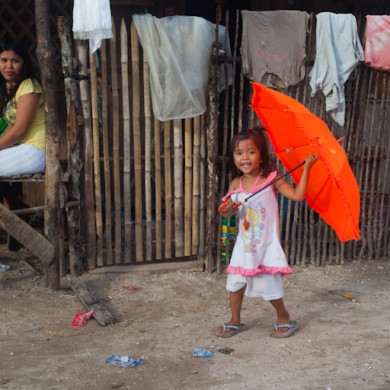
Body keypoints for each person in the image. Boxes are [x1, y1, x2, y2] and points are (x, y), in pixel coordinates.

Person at [216, 128, 318, 338]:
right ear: (233, 157)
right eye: (239, 153)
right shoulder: (236, 184)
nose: (245, 157)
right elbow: (226, 213)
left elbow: (298, 196)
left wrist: (307, 168)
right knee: (235, 282)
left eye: (251, 151)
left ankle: (283, 316)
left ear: (262, 154)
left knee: (268, 284)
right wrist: (228, 210)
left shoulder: (272, 180)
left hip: (265, 245)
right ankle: (235, 319)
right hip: (244, 246)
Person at [0, 38, 45, 209]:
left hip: (35, 151)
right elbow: (12, 125)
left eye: (15, 61)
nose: (9, 66)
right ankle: (16, 208)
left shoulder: (29, 85)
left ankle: (14, 214)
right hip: (22, 149)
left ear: (23, 63)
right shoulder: (12, 86)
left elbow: (19, 130)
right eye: (4, 60)